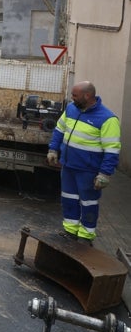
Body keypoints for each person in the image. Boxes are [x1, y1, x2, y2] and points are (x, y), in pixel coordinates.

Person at [47, 81, 121, 244]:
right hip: (68, 166)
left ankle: (86, 236)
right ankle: (70, 231)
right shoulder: (72, 109)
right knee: (68, 199)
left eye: (75, 95)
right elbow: (59, 130)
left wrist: (104, 174)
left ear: (87, 96)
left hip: (88, 170)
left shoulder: (107, 119)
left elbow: (112, 149)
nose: (72, 98)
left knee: (88, 203)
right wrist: (53, 149)